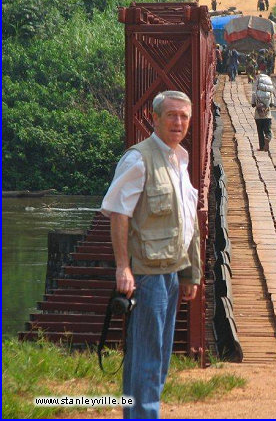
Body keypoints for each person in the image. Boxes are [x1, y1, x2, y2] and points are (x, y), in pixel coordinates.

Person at [101, 91, 201, 418]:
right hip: (146, 274)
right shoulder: (139, 159)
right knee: (147, 357)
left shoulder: (179, 159)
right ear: (154, 118)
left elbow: (187, 220)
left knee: (156, 357)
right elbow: (118, 212)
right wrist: (122, 268)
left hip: (171, 273)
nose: (178, 122)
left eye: (184, 116)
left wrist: (190, 273)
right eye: (171, 115)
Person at [252, 73, 274, 151]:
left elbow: (253, 104)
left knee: (260, 131)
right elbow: (271, 104)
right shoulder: (270, 93)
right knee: (268, 130)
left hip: (258, 116)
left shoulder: (255, 93)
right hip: (267, 115)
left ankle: (261, 147)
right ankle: (267, 138)